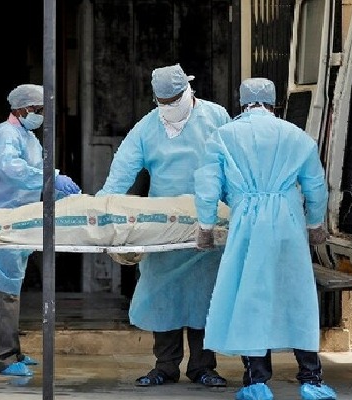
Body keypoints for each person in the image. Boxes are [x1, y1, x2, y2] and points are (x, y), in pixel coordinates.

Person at [194, 77, 337, 400]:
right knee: (297, 297)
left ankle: (257, 381)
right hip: (288, 223)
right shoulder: (296, 135)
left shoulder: (224, 136)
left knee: (251, 299)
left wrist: (205, 226)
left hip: (247, 224)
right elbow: (315, 185)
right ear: (275, 103)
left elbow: (207, 186)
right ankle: (311, 379)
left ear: (241, 102)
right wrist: (315, 224)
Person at [95, 64, 231, 387]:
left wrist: (234, 211)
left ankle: (203, 367)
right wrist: (101, 209)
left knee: (204, 297)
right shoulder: (147, 128)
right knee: (163, 296)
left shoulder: (216, 117)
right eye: (163, 102)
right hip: (164, 227)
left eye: (175, 100)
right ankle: (165, 366)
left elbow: (233, 164)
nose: (170, 107)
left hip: (206, 223)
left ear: (188, 90)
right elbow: (121, 172)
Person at [0, 83, 80, 377]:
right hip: (1, 221)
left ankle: (11, 351)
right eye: (38, 110)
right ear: (22, 108)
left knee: (11, 290)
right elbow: (11, 169)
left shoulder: (27, 137)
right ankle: (2, 357)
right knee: (3, 292)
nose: (41, 115)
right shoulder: (5, 134)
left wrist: (59, 189)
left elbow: (36, 172)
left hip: (18, 222)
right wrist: (52, 177)